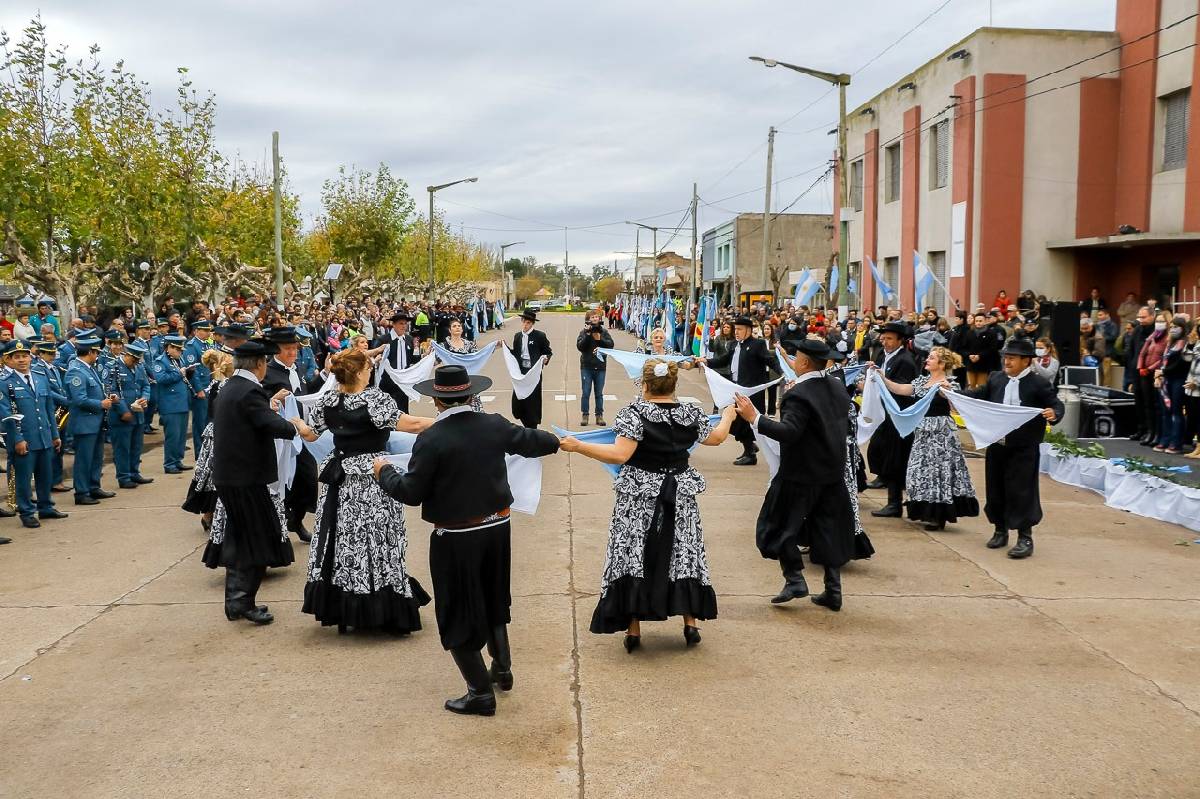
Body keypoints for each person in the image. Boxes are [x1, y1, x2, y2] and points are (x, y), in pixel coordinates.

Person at [374, 364, 560, 717]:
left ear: (437, 402)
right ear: (471, 395)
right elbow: (532, 441)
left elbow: (411, 492)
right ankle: (501, 668)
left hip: (456, 535)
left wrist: (385, 472)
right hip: (496, 528)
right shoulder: (492, 423)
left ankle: (479, 692)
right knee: (493, 597)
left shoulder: (432, 438)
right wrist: (560, 441)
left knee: (458, 608)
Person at [560, 361, 736, 650]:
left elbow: (619, 454)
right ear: (674, 386)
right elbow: (716, 438)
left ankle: (634, 629)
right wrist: (728, 416)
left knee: (633, 552)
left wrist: (578, 446)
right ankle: (690, 622)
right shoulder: (690, 413)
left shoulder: (634, 414)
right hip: (680, 492)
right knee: (683, 551)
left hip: (639, 496)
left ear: (644, 386)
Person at [290, 348, 434, 634]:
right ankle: (384, 604)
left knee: (347, 540)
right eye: (368, 367)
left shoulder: (329, 399)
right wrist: (451, 422)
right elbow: (413, 424)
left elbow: (311, 434)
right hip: (374, 476)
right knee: (380, 538)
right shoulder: (375, 400)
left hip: (341, 480)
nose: (371, 371)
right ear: (357, 372)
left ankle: (348, 605)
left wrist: (297, 424)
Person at [735, 338, 853, 610]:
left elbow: (790, 432)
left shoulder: (798, 394)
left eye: (795, 356)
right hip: (832, 471)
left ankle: (795, 579)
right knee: (827, 529)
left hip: (800, 473)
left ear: (803, 362)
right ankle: (833, 590)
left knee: (776, 526)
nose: (793, 360)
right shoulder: (837, 387)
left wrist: (755, 418)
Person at [202, 338, 303, 625]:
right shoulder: (249, 391)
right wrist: (293, 425)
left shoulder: (231, 388)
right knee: (258, 539)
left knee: (240, 537)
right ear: (259, 365)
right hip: (245, 478)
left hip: (231, 477)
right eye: (265, 364)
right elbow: (272, 425)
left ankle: (236, 601)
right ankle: (243, 602)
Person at [959, 337, 1063, 559]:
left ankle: (1025, 537)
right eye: (1005, 357)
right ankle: (1000, 529)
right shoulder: (997, 378)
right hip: (998, 443)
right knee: (995, 487)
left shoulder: (1038, 383)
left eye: (1012, 358)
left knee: (1022, 491)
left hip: (1023, 447)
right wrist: (954, 395)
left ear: (1026, 361)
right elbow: (979, 395)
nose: (1007, 361)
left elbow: (1055, 404)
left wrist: (1054, 413)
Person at [872, 346, 979, 531]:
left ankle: (938, 516)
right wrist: (882, 377)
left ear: (942, 364)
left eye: (932, 358)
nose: (927, 360)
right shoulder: (923, 381)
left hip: (941, 434)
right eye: (928, 357)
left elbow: (956, 407)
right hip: (922, 432)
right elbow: (902, 389)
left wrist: (948, 393)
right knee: (919, 472)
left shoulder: (948, 383)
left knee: (938, 473)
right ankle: (925, 511)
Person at [1, 340, 67, 529]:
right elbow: (7, 415)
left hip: (44, 436)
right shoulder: (5, 383)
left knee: (45, 475)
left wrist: (55, 434)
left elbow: (48, 410)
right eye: (17, 357)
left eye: (25, 355)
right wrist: (18, 439)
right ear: (9, 359)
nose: (22, 360)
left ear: (31, 356)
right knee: (24, 477)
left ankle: (46, 507)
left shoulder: (39, 377)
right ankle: (27, 511)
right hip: (24, 439)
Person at [262, 326, 317, 542]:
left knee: (309, 479)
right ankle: (283, 523)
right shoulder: (268, 372)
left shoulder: (298, 368)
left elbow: (306, 394)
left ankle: (296, 518)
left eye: (295, 349)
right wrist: (273, 399)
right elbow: (262, 400)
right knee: (284, 481)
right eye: (288, 349)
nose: (293, 353)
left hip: (301, 432)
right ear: (277, 350)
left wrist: (324, 376)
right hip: (281, 437)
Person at [702, 315, 771, 466]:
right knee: (733, 421)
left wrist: (784, 373)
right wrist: (706, 361)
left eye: (739, 329)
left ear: (748, 330)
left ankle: (750, 453)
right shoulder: (734, 345)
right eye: (735, 329)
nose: (737, 332)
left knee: (744, 422)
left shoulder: (757, 344)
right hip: (736, 389)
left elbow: (769, 360)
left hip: (751, 391)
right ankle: (750, 447)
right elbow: (724, 360)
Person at [865, 322, 918, 516]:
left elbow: (904, 390)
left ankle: (894, 503)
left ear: (900, 341)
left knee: (895, 457)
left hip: (898, 415)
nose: (884, 341)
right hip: (884, 413)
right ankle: (884, 478)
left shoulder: (905, 360)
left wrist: (882, 379)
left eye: (889, 338)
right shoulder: (882, 355)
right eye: (883, 337)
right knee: (879, 448)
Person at [183, 348, 232, 531]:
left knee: (212, 477)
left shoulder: (217, 384)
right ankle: (210, 515)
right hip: (220, 434)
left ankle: (210, 515)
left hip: (217, 432)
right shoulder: (221, 385)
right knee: (215, 477)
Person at [65, 336, 117, 505]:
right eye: (96, 352)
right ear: (90, 352)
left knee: (96, 457)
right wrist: (100, 403)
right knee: (84, 459)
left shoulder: (89, 368)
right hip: (84, 422)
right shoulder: (76, 371)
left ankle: (94, 487)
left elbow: (96, 391)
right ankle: (81, 492)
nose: (97, 356)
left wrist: (107, 399)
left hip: (95, 421)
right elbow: (79, 399)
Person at [106, 340, 153, 489]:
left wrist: (145, 398)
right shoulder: (113, 367)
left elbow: (145, 385)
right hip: (121, 415)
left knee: (136, 446)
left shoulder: (138, 367)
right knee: (122, 448)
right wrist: (123, 410)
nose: (135, 362)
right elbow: (110, 390)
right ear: (126, 355)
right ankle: (124, 476)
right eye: (133, 359)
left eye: (138, 360)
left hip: (137, 413)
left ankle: (134, 472)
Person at [153, 335, 193, 474]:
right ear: (169, 348)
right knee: (172, 436)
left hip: (182, 402)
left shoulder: (178, 359)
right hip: (170, 405)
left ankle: (178, 460)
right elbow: (161, 378)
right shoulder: (160, 361)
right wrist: (180, 374)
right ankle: (169, 463)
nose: (180, 352)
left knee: (181, 435)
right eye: (178, 349)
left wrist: (189, 373)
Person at [510, 309, 552, 428]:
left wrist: (545, 359)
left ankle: (532, 425)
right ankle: (522, 418)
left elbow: (548, 352)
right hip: (521, 372)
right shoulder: (517, 336)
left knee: (532, 400)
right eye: (523, 321)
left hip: (533, 372)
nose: (525, 325)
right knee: (519, 399)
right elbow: (515, 353)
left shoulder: (539, 336)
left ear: (532, 323)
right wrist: (504, 347)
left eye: (528, 323)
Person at [1154, 316, 1191, 454]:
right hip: (1166, 380)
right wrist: (1159, 374)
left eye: (1176, 327)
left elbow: (1180, 365)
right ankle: (1165, 440)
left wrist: (1162, 371)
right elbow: (1163, 361)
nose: (1173, 329)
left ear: (1183, 328)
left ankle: (1176, 443)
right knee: (1165, 412)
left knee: (1176, 411)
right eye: (1172, 327)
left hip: (1179, 380)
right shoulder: (1170, 344)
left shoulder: (1185, 344)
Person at [1135, 310, 1171, 447]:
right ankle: (1150, 432)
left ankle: (1157, 434)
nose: (1159, 324)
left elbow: (1163, 358)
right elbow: (1142, 353)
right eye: (1158, 321)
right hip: (1144, 373)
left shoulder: (1167, 338)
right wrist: (1140, 367)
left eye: (1162, 321)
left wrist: (1149, 369)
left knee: (1157, 405)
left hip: (1157, 374)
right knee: (1147, 404)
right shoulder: (1152, 336)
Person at [576, 309, 613, 427]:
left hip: (600, 367)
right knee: (586, 392)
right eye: (592, 317)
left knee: (599, 393)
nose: (594, 319)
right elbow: (580, 347)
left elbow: (610, 345)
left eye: (596, 317)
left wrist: (599, 339)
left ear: (600, 318)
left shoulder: (604, 332)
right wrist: (588, 335)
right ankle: (585, 415)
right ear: (588, 319)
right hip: (586, 366)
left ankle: (599, 415)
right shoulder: (583, 332)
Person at [375, 311, 417, 414]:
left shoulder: (408, 339)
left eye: (405, 323)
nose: (403, 326)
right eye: (400, 323)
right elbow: (376, 356)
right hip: (387, 380)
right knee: (387, 410)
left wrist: (425, 357)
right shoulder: (384, 339)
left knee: (403, 410)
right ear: (393, 325)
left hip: (403, 380)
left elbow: (410, 358)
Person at [182, 319, 213, 457]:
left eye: (208, 330)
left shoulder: (206, 345)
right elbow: (192, 370)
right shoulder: (191, 346)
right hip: (200, 387)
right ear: (196, 331)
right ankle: (200, 452)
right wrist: (198, 389)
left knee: (208, 421)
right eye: (205, 330)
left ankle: (207, 450)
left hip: (209, 385)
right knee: (200, 422)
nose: (208, 333)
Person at [1127, 307, 1158, 443]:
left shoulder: (1157, 331)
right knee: (1138, 401)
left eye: (1144, 317)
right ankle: (1141, 429)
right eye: (1139, 317)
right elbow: (1132, 349)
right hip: (1136, 371)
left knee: (1149, 403)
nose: (1141, 320)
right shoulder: (1138, 330)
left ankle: (1151, 431)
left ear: (1152, 316)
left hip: (1149, 372)